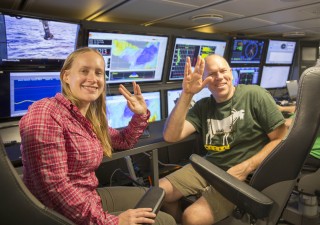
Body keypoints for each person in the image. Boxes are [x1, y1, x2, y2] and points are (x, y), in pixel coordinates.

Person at [19, 47, 176, 225]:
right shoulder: (46, 112)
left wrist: (140, 114)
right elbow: (54, 189)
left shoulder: (88, 120)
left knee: (153, 196)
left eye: (99, 73)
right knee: (165, 221)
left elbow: (124, 141)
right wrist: (112, 222)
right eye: (84, 71)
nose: (93, 79)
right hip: (59, 216)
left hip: (89, 198)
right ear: (66, 76)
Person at [159, 54, 287, 225]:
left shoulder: (254, 95)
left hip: (243, 175)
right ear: (203, 80)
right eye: (211, 74)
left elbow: (280, 139)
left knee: (192, 217)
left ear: (231, 73)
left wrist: (245, 168)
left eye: (223, 71)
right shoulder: (202, 106)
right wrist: (187, 93)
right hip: (210, 168)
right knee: (159, 192)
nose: (219, 77)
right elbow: (171, 136)